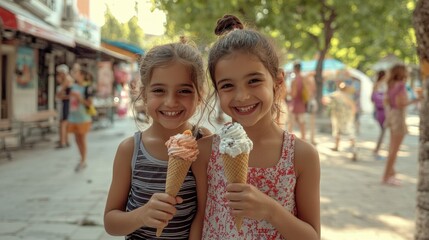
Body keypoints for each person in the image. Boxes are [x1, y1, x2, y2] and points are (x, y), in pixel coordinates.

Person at [194, 15, 320, 239]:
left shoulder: (301, 155)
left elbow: (312, 235)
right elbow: (201, 219)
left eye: (254, 80)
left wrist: (271, 211)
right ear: (217, 91)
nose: (242, 96)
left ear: (278, 81)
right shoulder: (204, 152)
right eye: (227, 85)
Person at [104, 41, 211, 239]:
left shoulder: (205, 142)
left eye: (184, 90)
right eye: (159, 90)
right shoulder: (130, 149)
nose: (171, 101)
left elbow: (206, 212)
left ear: (200, 95)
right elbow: (111, 222)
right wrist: (142, 215)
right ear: (143, 94)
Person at [382, 64, 422, 186]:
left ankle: (390, 174)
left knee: (392, 149)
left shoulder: (390, 85)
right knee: (395, 150)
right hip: (399, 116)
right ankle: (386, 176)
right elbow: (401, 104)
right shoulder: (400, 86)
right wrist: (417, 99)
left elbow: (387, 102)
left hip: (392, 115)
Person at [67, 66, 93, 172]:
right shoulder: (72, 86)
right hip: (73, 116)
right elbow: (60, 96)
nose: (74, 74)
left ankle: (83, 160)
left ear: (82, 75)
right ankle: (81, 157)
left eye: (77, 72)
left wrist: (79, 98)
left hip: (83, 117)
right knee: (77, 139)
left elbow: (89, 103)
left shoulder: (87, 88)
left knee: (82, 139)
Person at [323, 81, 357, 160]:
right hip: (345, 118)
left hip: (339, 117)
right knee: (349, 133)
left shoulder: (336, 95)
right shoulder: (345, 96)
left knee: (339, 132)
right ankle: (350, 149)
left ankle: (338, 147)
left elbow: (325, 101)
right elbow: (353, 108)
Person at [55, 64, 73, 149]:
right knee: (64, 123)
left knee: (63, 123)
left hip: (65, 103)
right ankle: (65, 140)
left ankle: (62, 141)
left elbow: (60, 93)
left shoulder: (67, 80)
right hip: (65, 103)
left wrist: (60, 95)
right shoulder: (68, 79)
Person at [288, 62, 307, 140]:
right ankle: (303, 138)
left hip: (295, 103)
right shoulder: (304, 78)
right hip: (302, 103)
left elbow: (293, 94)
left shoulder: (294, 80)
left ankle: (289, 139)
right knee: (302, 122)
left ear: (294, 69)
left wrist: (288, 92)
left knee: (291, 123)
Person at [371, 70, 387, 160]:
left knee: (382, 132)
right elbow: (376, 99)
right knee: (382, 132)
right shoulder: (381, 85)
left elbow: (372, 99)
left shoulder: (376, 85)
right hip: (381, 111)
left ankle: (377, 150)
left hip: (378, 111)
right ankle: (376, 151)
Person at [305, 74, 318, 145]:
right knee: (310, 122)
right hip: (309, 102)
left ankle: (311, 139)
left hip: (309, 102)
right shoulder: (310, 80)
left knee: (310, 122)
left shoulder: (307, 81)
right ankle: (311, 139)